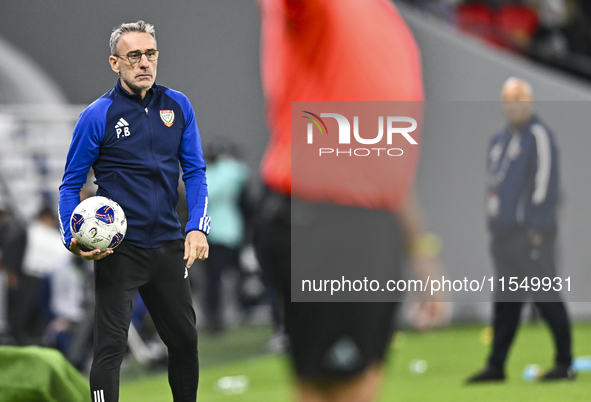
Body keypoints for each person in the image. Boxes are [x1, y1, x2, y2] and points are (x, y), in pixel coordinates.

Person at [256, 1, 448, 401]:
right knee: (342, 390)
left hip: (368, 224)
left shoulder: (383, 16)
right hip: (324, 218)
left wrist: (419, 250)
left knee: (360, 384)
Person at [58, 21, 210, 402]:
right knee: (110, 349)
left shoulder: (178, 105)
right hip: (118, 249)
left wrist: (197, 227)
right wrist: (70, 238)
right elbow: (69, 185)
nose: (144, 63)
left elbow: (194, 171)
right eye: (134, 56)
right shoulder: (98, 115)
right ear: (115, 62)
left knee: (185, 342)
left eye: (151, 54)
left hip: (167, 244)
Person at [467, 77, 574, 383]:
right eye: (508, 98)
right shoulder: (498, 140)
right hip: (503, 234)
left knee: (545, 295)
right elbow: (496, 186)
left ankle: (564, 363)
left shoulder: (539, 136)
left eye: (519, 97)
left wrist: (538, 226)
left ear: (530, 101)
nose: (514, 104)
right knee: (505, 301)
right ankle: (496, 365)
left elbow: (545, 183)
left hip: (530, 231)